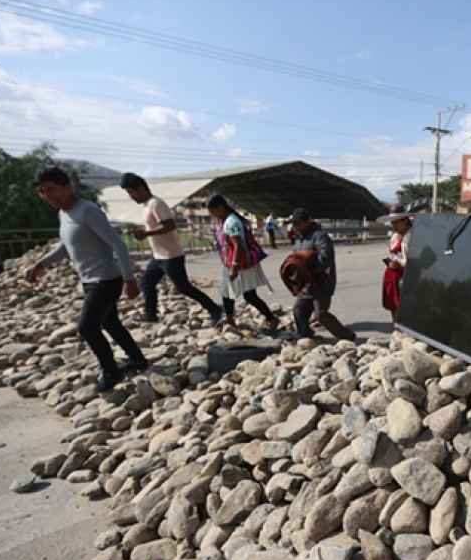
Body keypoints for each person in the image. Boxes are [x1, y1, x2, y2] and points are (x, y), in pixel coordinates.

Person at [24, 166, 147, 392]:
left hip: (105, 280)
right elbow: (66, 247)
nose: (47, 196)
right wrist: (40, 264)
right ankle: (138, 360)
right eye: (42, 192)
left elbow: (118, 245)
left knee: (87, 328)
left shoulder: (88, 211)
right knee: (110, 323)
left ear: (67, 186)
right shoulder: (64, 214)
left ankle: (111, 372)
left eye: (51, 189)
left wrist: (129, 280)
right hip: (90, 281)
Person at [119, 173, 223, 326]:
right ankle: (150, 315)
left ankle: (214, 309)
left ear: (140, 188)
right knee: (147, 282)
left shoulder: (156, 204)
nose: (131, 196)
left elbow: (169, 225)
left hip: (171, 256)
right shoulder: (147, 205)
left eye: (131, 192)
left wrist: (146, 233)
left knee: (183, 287)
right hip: (159, 257)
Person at [206, 194, 280, 332]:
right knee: (245, 295)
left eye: (213, 211)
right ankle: (270, 319)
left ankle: (231, 319)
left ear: (220, 207)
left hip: (239, 264)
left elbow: (238, 245)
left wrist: (234, 267)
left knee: (230, 292)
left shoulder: (231, 222)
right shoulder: (228, 219)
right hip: (236, 263)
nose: (213, 215)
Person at [289, 207, 356, 341]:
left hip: (321, 283)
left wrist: (311, 270)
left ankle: (348, 336)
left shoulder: (319, 236)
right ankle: (305, 335)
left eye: (298, 223)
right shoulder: (298, 239)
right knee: (298, 310)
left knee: (321, 314)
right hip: (306, 285)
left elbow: (326, 257)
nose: (295, 227)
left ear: (307, 222)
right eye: (293, 224)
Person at [377, 204, 414, 322]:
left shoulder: (410, 237)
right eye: (392, 222)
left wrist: (399, 264)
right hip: (393, 276)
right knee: (394, 308)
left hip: (404, 277)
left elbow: (412, 261)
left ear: (405, 221)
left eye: (396, 222)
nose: (393, 225)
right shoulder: (396, 235)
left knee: (403, 308)